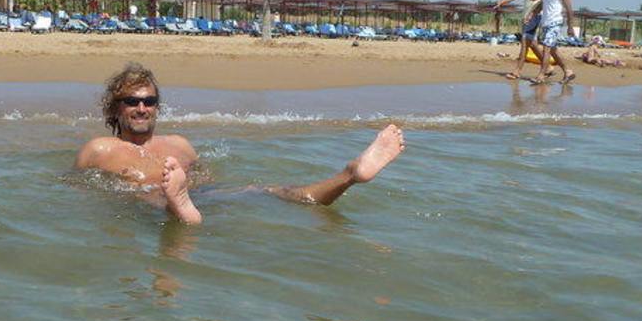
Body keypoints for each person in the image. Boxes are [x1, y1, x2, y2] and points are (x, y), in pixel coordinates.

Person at [74, 63, 405, 225]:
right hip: (147, 202)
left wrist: (197, 191)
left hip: (200, 199)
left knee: (267, 190)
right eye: (131, 101)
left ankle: (350, 174)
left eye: (149, 101)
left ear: (157, 107)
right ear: (115, 108)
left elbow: (207, 179)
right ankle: (177, 204)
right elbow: (76, 190)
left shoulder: (180, 145)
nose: (141, 108)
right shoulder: (100, 148)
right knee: (152, 196)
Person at [494, 0, 554, 77]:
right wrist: (503, 1)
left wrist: (537, 1)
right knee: (531, 43)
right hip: (526, 14)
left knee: (525, 41)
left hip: (537, 13)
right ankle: (548, 67)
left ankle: (517, 71)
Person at [522, 0, 576, 85]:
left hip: (555, 23)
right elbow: (542, 4)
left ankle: (541, 75)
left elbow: (569, 10)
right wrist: (531, 14)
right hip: (546, 23)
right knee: (553, 51)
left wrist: (570, 27)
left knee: (546, 48)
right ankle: (568, 71)